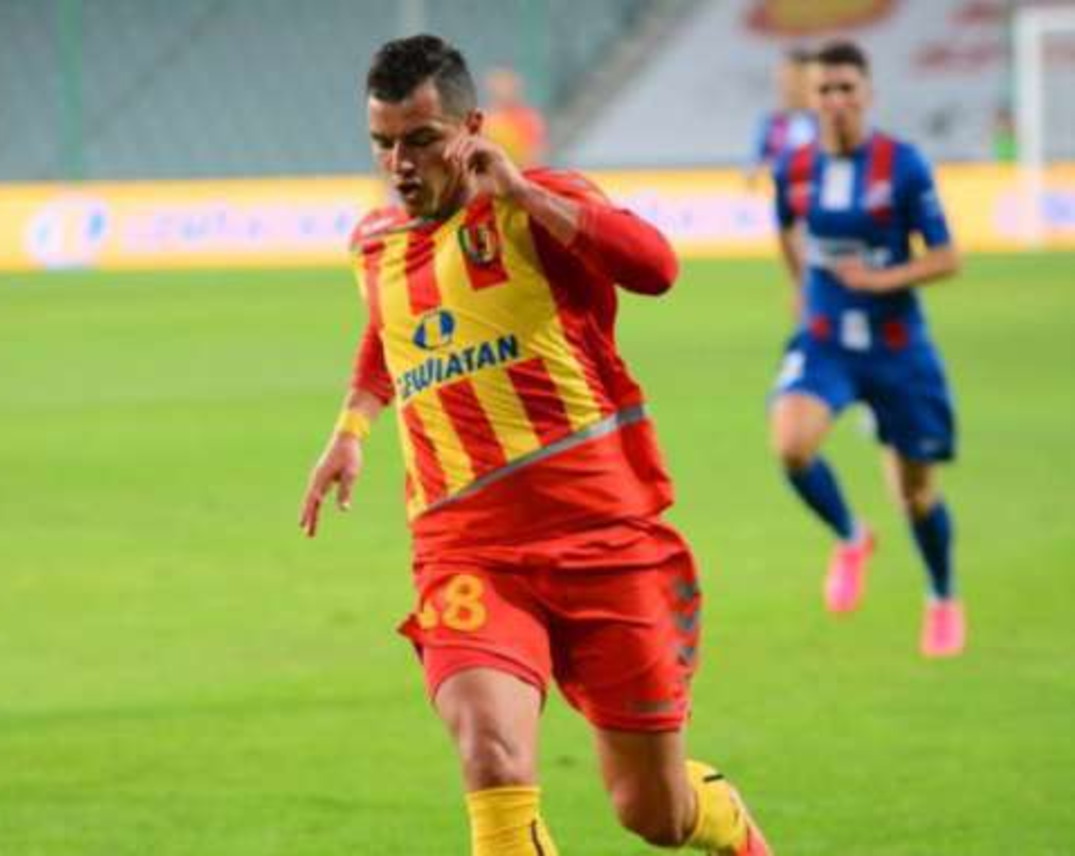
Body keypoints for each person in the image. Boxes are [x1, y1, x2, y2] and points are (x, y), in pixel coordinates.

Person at [301, 35, 769, 856]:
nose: (400, 165)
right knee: (490, 758)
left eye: (420, 140)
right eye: (383, 143)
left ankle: (725, 821)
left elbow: (656, 268)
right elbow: (390, 331)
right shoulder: (374, 243)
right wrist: (351, 428)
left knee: (653, 813)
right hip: (465, 547)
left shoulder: (540, 202)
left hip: (602, 538)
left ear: (472, 128)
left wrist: (521, 191)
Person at [768, 40, 964, 657]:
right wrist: (801, 289)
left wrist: (880, 281)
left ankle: (942, 596)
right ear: (812, 97)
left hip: (896, 348)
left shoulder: (902, 166)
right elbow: (785, 226)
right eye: (825, 90)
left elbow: (946, 257)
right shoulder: (794, 167)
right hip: (827, 340)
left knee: (915, 494)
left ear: (867, 94)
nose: (835, 100)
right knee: (791, 445)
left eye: (846, 88)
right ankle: (853, 537)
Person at [745, 48, 817, 188]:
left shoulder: (824, 123)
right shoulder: (769, 122)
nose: (785, 83)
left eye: (794, 76)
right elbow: (752, 168)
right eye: (783, 75)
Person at [482, 67, 548, 169]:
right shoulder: (485, 121)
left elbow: (535, 156)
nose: (502, 88)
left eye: (506, 83)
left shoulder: (528, 119)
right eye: (499, 82)